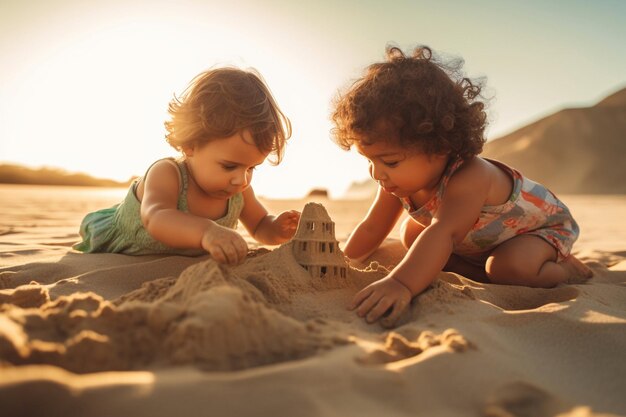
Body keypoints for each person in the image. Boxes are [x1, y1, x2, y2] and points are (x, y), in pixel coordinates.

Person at [330, 46, 592, 326]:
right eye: (369, 161)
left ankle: (565, 269)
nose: (377, 173)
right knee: (412, 235)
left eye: (390, 162)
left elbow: (444, 233)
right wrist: (343, 262)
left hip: (537, 231)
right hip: (481, 238)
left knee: (508, 268)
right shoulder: (396, 182)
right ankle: (484, 268)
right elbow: (373, 227)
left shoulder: (470, 176)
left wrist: (401, 283)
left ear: (439, 147)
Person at [74, 67, 300, 264]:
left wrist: (277, 229)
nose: (241, 180)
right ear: (191, 145)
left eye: (251, 168)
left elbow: (259, 225)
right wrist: (207, 232)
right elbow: (156, 217)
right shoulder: (167, 173)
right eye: (229, 166)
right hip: (121, 241)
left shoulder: (239, 192)